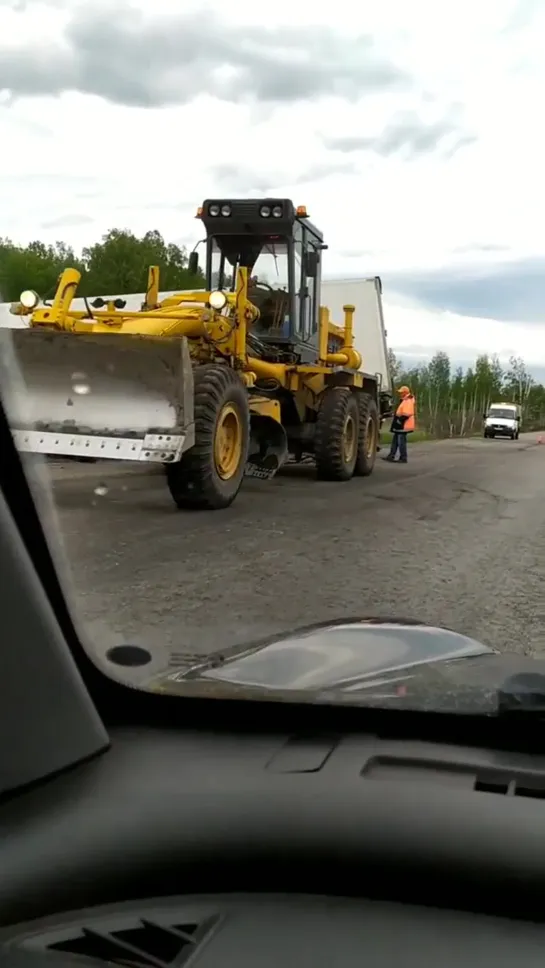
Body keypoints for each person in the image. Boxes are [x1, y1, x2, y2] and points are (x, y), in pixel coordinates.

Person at [384, 385, 416, 463]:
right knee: (395, 440)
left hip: (404, 424)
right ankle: (391, 455)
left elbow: (407, 413)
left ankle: (403, 458)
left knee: (401, 441)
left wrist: (400, 420)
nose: (400, 394)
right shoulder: (405, 400)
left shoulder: (408, 400)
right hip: (401, 424)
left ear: (405, 393)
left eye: (401, 392)